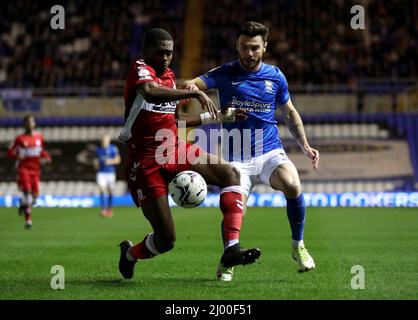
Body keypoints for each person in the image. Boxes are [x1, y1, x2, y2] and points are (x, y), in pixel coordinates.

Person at [117, 28, 261, 280]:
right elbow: (150, 92)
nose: (165, 58)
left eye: (169, 53)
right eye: (160, 52)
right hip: (145, 161)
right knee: (166, 240)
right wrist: (193, 92)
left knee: (230, 173)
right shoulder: (140, 70)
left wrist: (217, 117)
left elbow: (177, 120)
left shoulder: (170, 77)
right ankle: (130, 253)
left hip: (173, 147)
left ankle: (231, 249)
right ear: (146, 51)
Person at [183, 21, 319, 281]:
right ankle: (229, 256)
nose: (249, 54)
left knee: (292, 184)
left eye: (255, 48)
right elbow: (193, 83)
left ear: (264, 47)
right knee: (237, 212)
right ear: (237, 45)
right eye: (244, 47)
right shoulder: (225, 72)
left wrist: (305, 145)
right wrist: (193, 89)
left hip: (269, 152)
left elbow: (289, 112)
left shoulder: (275, 76)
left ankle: (297, 245)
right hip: (237, 159)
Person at [7, 115, 51, 229]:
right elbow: (10, 152)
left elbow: (41, 151)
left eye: (32, 122)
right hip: (24, 169)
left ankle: (22, 204)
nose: (30, 124)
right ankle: (28, 221)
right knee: (28, 192)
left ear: (35, 124)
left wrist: (47, 158)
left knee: (35, 197)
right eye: (28, 122)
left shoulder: (39, 137)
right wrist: (17, 156)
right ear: (24, 124)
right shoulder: (20, 138)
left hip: (35, 170)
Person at [94, 134, 121, 217]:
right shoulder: (98, 150)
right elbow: (96, 161)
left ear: (109, 140)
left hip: (110, 172)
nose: (105, 141)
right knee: (102, 190)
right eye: (103, 140)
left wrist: (110, 162)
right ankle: (103, 209)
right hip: (101, 172)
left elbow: (118, 160)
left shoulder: (113, 148)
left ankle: (109, 209)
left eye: (106, 140)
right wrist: (96, 164)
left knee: (110, 191)